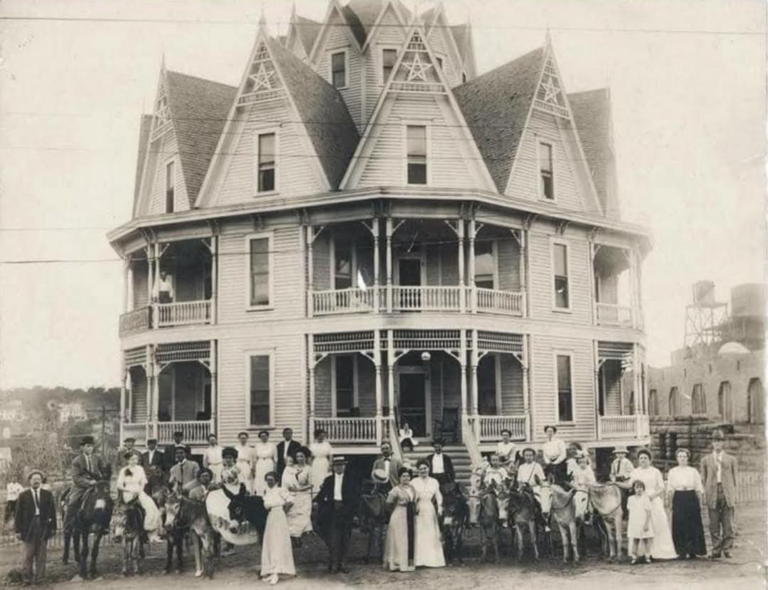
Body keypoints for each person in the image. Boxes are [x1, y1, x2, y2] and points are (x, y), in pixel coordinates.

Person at [314, 456, 359, 574]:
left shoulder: (351, 480)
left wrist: (352, 513)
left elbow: (355, 498)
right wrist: (315, 501)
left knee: (345, 538)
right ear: (333, 467)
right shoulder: (329, 480)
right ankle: (334, 563)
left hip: (346, 511)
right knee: (334, 538)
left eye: (341, 465)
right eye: (337, 465)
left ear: (344, 466)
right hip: (332, 510)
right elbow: (322, 493)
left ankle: (343, 563)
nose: (339, 467)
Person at [629, 449, 677, 559]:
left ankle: (658, 551)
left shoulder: (655, 471)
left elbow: (661, 487)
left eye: (645, 458)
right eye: (641, 458)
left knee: (657, 524)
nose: (643, 460)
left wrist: (653, 496)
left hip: (653, 500)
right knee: (640, 523)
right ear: (638, 460)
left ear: (650, 460)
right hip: (639, 501)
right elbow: (630, 486)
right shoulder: (635, 472)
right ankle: (641, 552)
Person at [700, 429, 738, 559]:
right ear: (712, 443)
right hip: (713, 492)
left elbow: (735, 479)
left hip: (726, 492)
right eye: (715, 441)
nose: (717, 444)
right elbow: (704, 479)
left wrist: (733, 494)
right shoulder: (706, 460)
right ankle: (716, 549)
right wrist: (708, 491)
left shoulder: (731, 459)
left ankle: (727, 548)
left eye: (720, 441)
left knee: (728, 524)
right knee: (714, 523)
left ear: (723, 443)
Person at [15, 470, 56, 586]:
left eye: (39, 479)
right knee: (28, 555)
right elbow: (18, 514)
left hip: (43, 526)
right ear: (30, 481)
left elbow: (52, 512)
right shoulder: (23, 496)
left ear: (41, 481)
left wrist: (53, 528)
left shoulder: (47, 495)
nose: (36, 481)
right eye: (34, 479)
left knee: (41, 555)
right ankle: (27, 579)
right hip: (28, 527)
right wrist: (18, 530)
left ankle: (40, 579)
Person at [65, 435, 111, 533]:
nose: (89, 448)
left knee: (107, 501)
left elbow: (102, 472)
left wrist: (102, 479)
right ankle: (69, 525)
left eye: (91, 446)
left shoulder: (97, 459)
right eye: (87, 446)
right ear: (82, 447)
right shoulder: (76, 460)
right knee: (73, 501)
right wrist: (89, 483)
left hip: (96, 486)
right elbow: (76, 478)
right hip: (81, 487)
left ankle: (104, 524)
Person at [667, 448, 706, 559]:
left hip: (691, 496)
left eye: (684, 456)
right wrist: (670, 502)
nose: (682, 458)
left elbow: (698, 487)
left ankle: (693, 550)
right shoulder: (672, 471)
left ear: (688, 458)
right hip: (679, 497)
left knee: (693, 524)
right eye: (680, 456)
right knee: (679, 524)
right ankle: (681, 551)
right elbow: (670, 488)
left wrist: (700, 503)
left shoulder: (693, 471)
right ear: (677, 458)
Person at [116, 452, 163, 543]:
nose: (134, 461)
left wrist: (139, 491)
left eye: (136, 459)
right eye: (132, 459)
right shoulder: (124, 470)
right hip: (128, 492)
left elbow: (143, 482)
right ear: (128, 460)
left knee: (151, 507)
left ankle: (150, 530)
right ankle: (120, 531)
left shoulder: (140, 469)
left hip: (139, 492)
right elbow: (119, 486)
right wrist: (130, 491)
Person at [260, 472, 295, 585]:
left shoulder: (281, 490)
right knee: (270, 543)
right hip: (270, 517)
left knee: (277, 542)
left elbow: (291, 500)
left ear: (276, 480)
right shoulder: (266, 491)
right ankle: (271, 571)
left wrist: (283, 511)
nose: (269, 482)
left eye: (271, 479)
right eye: (267, 480)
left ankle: (276, 572)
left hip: (279, 516)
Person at [411, 460, 445, 568]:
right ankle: (419, 560)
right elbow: (411, 495)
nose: (423, 471)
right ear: (418, 470)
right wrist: (414, 504)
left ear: (428, 469)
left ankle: (432, 560)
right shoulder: (414, 481)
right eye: (420, 469)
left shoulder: (434, 481)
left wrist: (440, 507)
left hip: (430, 508)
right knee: (420, 532)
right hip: (419, 508)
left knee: (431, 532)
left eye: (425, 468)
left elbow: (438, 495)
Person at [383, 467, 416, 572]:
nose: (406, 478)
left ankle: (407, 563)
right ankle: (396, 563)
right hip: (399, 515)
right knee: (399, 539)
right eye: (403, 476)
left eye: (408, 476)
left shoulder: (412, 488)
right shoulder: (395, 489)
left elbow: (415, 500)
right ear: (399, 478)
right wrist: (395, 511)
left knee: (408, 538)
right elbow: (388, 503)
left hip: (410, 515)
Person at [282, 447, 313, 543]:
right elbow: (286, 480)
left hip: (303, 494)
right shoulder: (292, 467)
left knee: (301, 514)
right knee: (291, 512)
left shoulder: (309, 469)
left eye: (302, 456)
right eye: (298, 456)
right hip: (292, 493)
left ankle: (298, 535)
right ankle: (291, 536)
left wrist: (298, 489)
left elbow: (311, 484)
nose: (299, 458)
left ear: (306, 457)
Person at [188, 468, 214, 578]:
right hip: (197, 521)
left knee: (211, 544)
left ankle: (211, 565)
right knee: (197, 544)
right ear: (199, 478)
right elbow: (192, 508)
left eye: (207, 476)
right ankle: (199, 567)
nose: (205, 478)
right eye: (203, 476)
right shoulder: (193, 492)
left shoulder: (215, 489)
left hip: (212, 520)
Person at [517, 447, 548, 531]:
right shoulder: (521, 467)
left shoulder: (537, 466)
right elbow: (519, 480)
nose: (528, 457)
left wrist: (541, 487)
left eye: (530, 455)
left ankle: (543, 521)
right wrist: (520, 488)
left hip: (535, 487)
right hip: (524, 488)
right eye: (526, 455)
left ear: (533, 456)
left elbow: (541, 479)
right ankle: (515, 521)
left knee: (538, 502)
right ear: (523, 456)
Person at [627, 480, 654, 565]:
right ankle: (634, 557)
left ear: (643, 489)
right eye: (637, 487)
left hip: (643, 521)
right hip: (635, 522)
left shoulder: (645, 499)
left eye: (641, 487)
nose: (639, 489)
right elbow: (630, 511)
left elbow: (648, 512)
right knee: (635, 540)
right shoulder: (630, 499)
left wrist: (646, 524)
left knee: (646, 540)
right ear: (634, 489)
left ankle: (647, 557)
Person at [610, 445, 634, 514]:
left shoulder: (627, 462)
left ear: (625, 454)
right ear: (616, 454)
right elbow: (612, 473)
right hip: (616, 481)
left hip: (625, 481)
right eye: (618, 453)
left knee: (623, 495)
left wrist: (623, 475)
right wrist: (613, 479)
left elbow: (631, 472)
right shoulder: (614, 462)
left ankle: (625, 510)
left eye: (622, 453)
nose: (620, 455)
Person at [254, 431, 278, 497]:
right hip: (260, 463)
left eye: (265, 436)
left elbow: (275, 459)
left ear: (268, 436)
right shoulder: (257, 445)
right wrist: (254, 469)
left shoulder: (272, 445)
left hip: (269, 463)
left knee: (268, 478)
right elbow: (255, 458)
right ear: (260, 437)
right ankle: (260, 495)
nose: (263, 437)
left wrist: (275, 469)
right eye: (262, 436)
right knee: (260, 479)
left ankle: (270, 494)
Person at [309, 429, 333, 495]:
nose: (322, 437)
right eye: (320, 436)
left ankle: (325, 492)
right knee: (316, 478)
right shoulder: (312, 445)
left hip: (324, 462)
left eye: (323, 436)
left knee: (324, 477)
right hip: (316, 463)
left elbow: (331, 455)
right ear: (316, 436)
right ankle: (316, 493)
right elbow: (310, 457)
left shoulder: (327, 444)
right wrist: (309, 466)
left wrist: (330, 465)